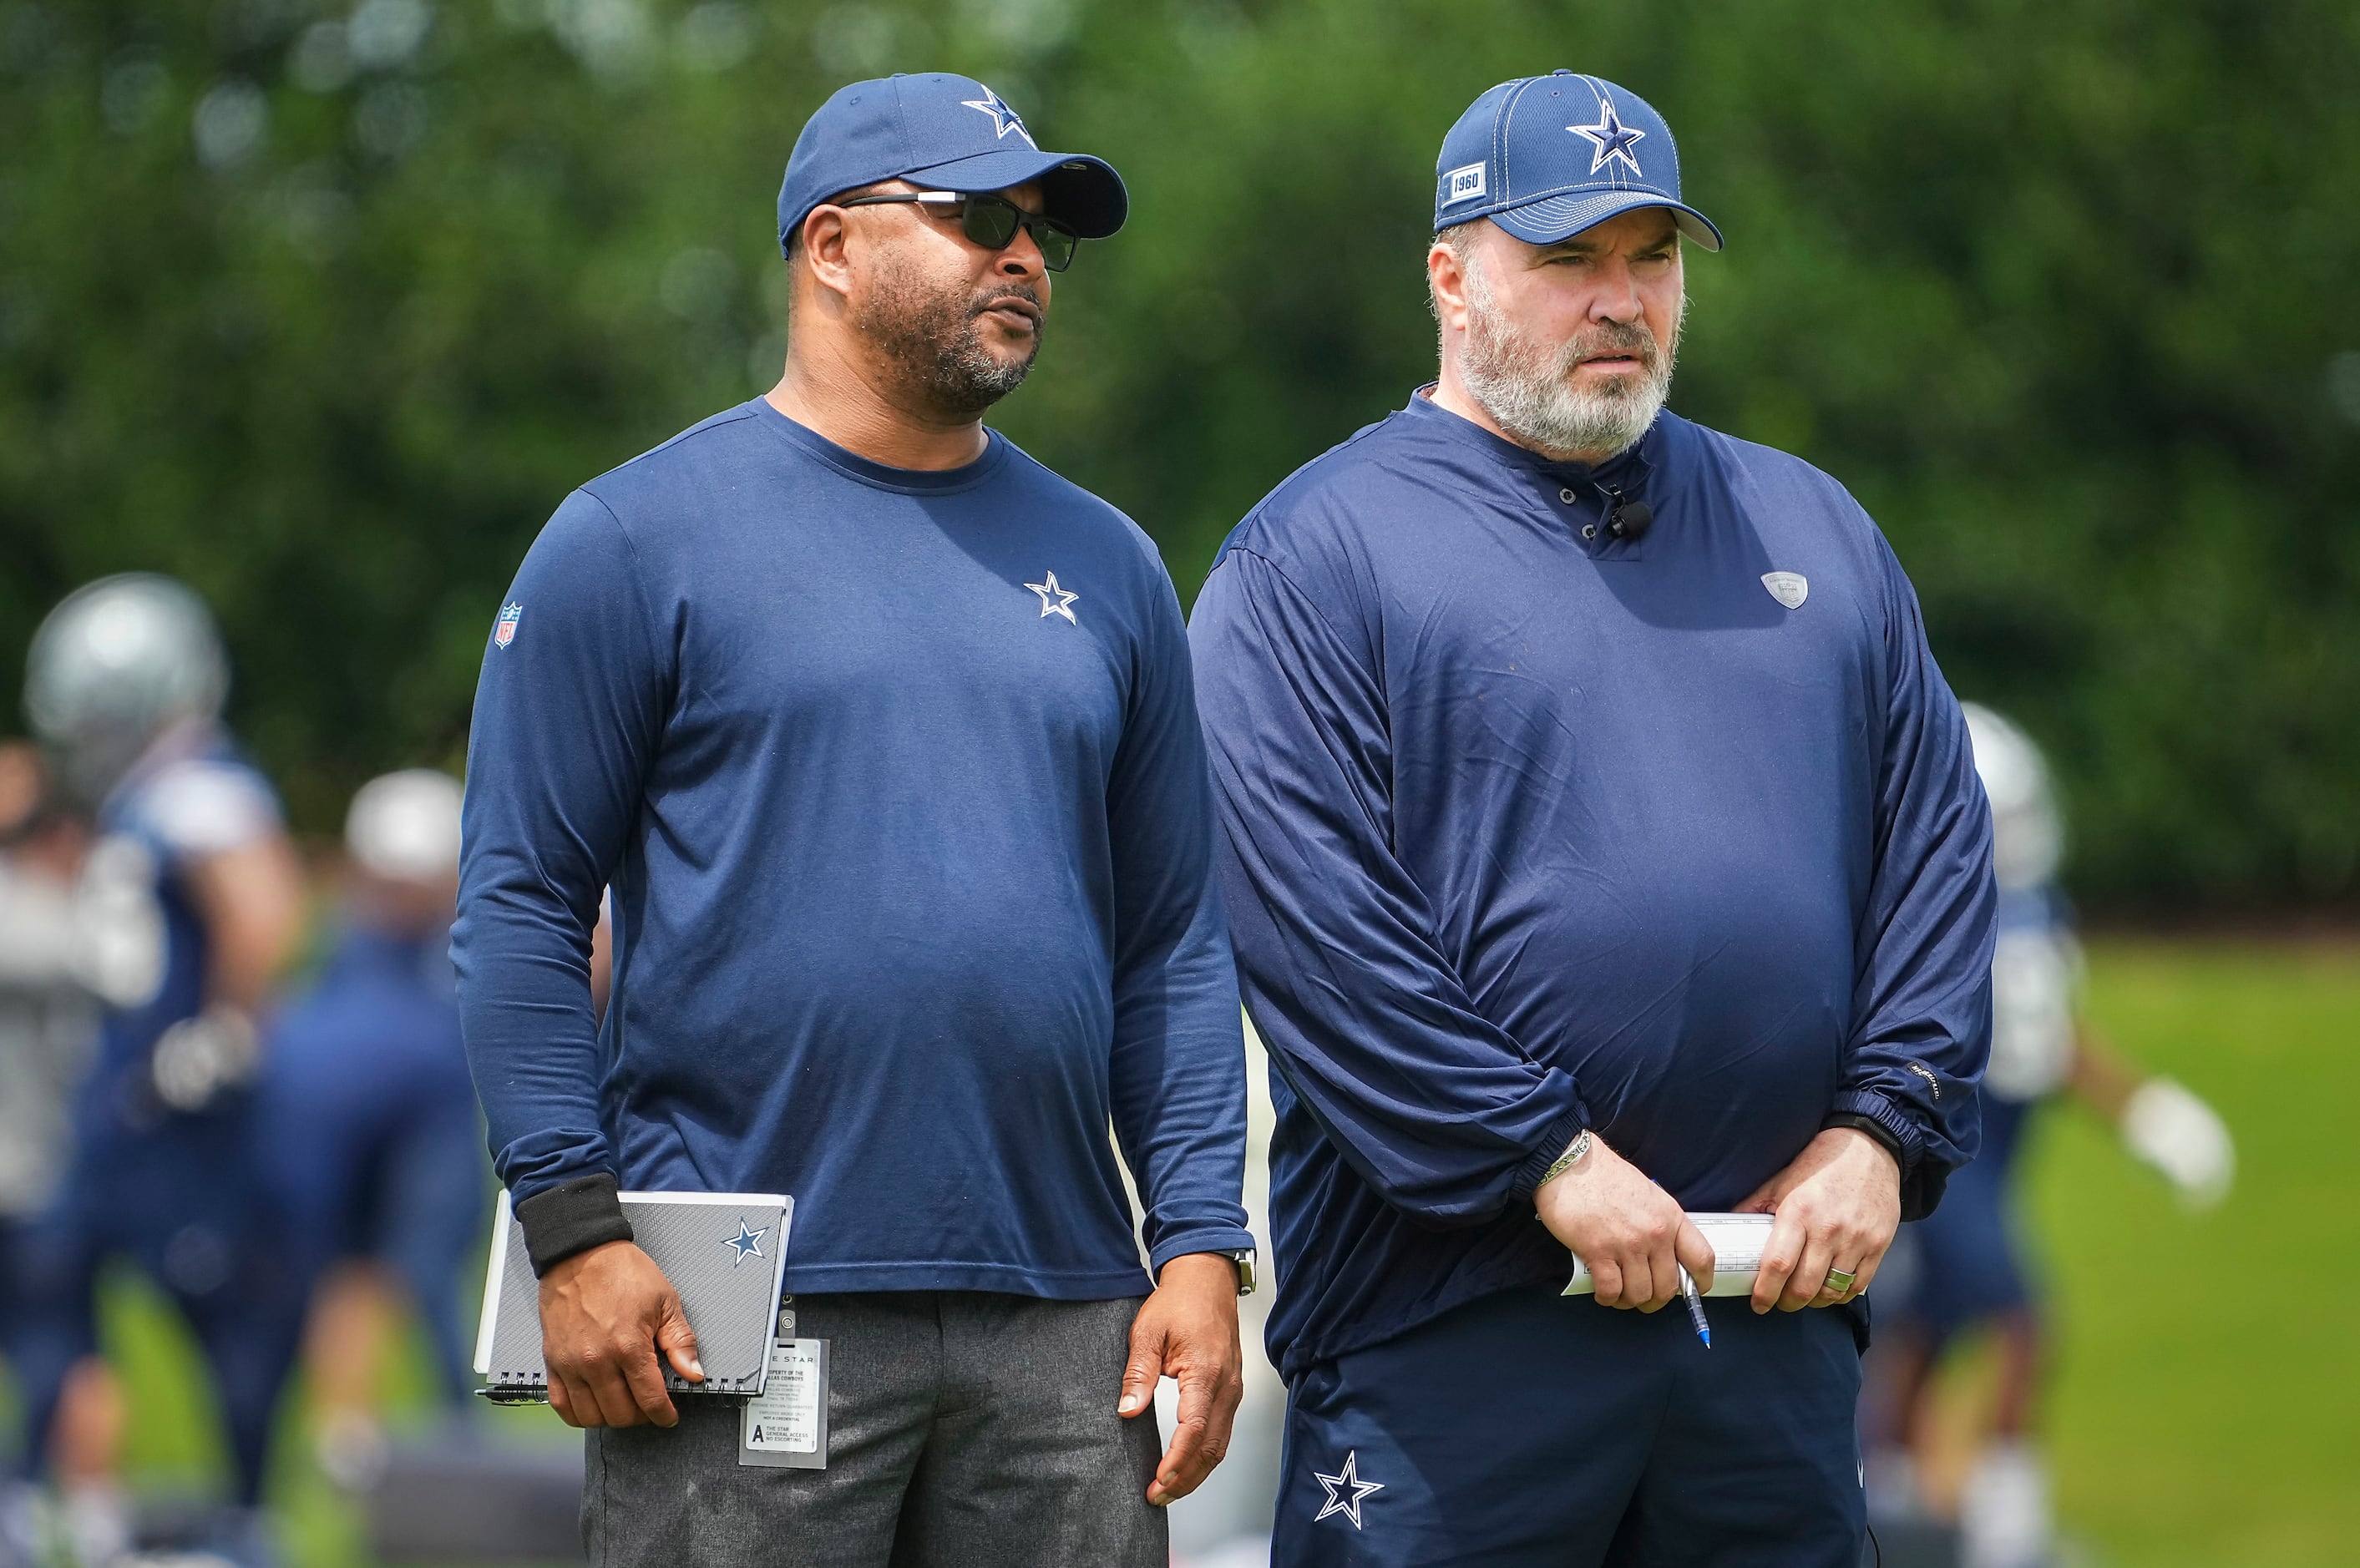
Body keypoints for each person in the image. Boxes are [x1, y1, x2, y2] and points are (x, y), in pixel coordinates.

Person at [1188, 72, 1997, 1565]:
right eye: (1568, 259)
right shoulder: (1312, 554)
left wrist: (1880, 1130)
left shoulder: (1811, 524)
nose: (1619, 301)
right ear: (1449, 273)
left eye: (1652, 258)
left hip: (1768, 1310)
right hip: (1458, 1328)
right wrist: (1545, 1157)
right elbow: (1311, 929)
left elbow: (1938, 858)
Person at [453, 73, 1255, 1567]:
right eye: (973, 219)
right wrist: (571, 1226)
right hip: (737, 1303)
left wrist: (1203, 1240)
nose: (1019, 256)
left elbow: (1172, 944)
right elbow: (518, 904)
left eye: (1039, 235)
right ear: (829, 246)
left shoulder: (1111, 560)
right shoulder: (629, 541)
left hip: (1067, 1308)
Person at [1862, 704, 2233, 1568]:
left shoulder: (2024, 909)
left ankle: (1893, 1499)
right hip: (1953, 1160)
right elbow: (2035, 1046)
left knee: (1927, 1327)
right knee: (2019, 1322)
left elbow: (2041, 1038)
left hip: (1985, 1159)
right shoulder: (1959, 921)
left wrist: (2145, 1112)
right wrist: (2144, 1112)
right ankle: (2000, 1521)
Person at [18, 575, 310, 1558]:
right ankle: (71, 1511)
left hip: (178, 1127)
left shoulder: (197, 785)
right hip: (121, 1117)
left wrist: (222, 1033)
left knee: (221, 1313)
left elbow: (264, 908)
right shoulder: (150, 793)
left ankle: (240, 1520)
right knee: (53, 1296)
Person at [256, 769, 484, 1490]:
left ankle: (454, 1433)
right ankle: (349, 1434)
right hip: (357, 1128)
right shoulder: (350, 939)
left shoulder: (461, 937)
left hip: (424, 1127)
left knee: (423, 1274)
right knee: (352, 1272)